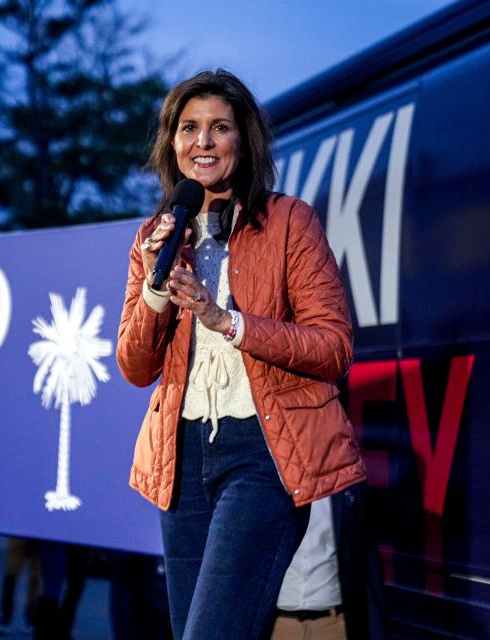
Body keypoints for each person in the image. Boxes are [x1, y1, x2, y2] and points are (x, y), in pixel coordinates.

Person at [117, 69, 366, 640]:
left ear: (242, 141)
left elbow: (334, 346)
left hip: (262, 453)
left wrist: (225, 321)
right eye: (189, 128)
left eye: (219, 128)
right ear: (172, 143)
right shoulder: (154, 235)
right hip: (179, 456)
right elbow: (134, 367)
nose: (202, 142)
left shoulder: (288, 221)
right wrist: (159, 285)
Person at [272, 485, 389, 640]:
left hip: (333, 626)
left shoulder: (348, 488)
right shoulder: (264, 486)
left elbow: (367, 565)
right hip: (278, 626)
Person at [0, 537, 42, 636]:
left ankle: (29, 618)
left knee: (33, 579)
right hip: (26, 534)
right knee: (12, 577)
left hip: (31, 534)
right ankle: (8, 618)